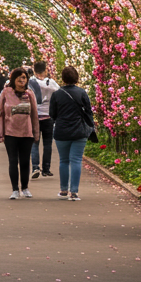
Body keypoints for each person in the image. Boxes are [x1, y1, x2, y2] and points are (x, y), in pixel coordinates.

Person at [48, 66, 94, 201]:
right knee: (76, 160)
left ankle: (63, 190)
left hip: (62, 130)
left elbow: (52, 114)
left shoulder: (57, 94)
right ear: (76, 78)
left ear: (63, 78)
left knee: (64, 160)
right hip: (79, 130)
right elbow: (89, 111)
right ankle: (74, 192)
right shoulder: (82, 93)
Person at [0, 68, 40, 199]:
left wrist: (36, 133)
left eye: (24, 78)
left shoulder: (30, 94)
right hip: (10, 133)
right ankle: (15, 189)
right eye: (19, 78)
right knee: (13, 161)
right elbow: (1, 114)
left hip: (27, 133)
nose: (22, 80)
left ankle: (25, 187)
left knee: (25, 161)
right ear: (13, 79)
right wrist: (1, 132)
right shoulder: (6, 92)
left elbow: (34, 115)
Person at [28, 61, 58, 179]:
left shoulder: (30, 83)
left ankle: (35, 167)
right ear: (45, 70)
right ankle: (46, 168)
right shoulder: (51, 83)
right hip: (48, 116)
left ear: (34, 70)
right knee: (48, 143)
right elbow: (59, 94)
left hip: (34, 116)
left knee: (34, 143)